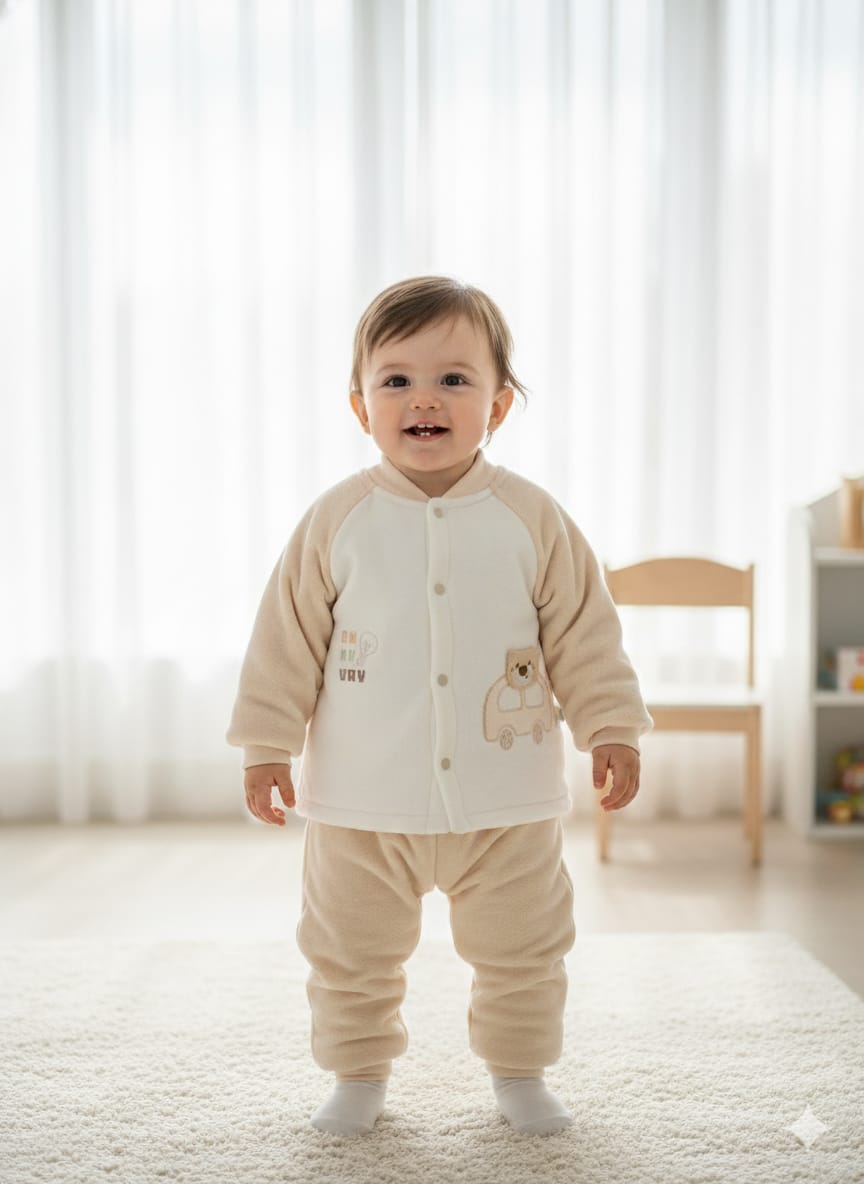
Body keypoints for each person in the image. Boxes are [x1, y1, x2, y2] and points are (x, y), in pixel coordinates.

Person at [226, 275, 652, 1138]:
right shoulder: (335, 521)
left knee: (526, 950)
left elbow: (584, 633)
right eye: (397, 380)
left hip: (506, 803)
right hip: (361, 806)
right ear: (360, 406)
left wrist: (610, 724)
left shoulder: (532, 519)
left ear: (498, 405)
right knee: (347, 953)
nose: (425, 398)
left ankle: (520, 1073)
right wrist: (266, 745)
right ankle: (356, 1076)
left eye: (454, 379)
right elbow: (285, 643)